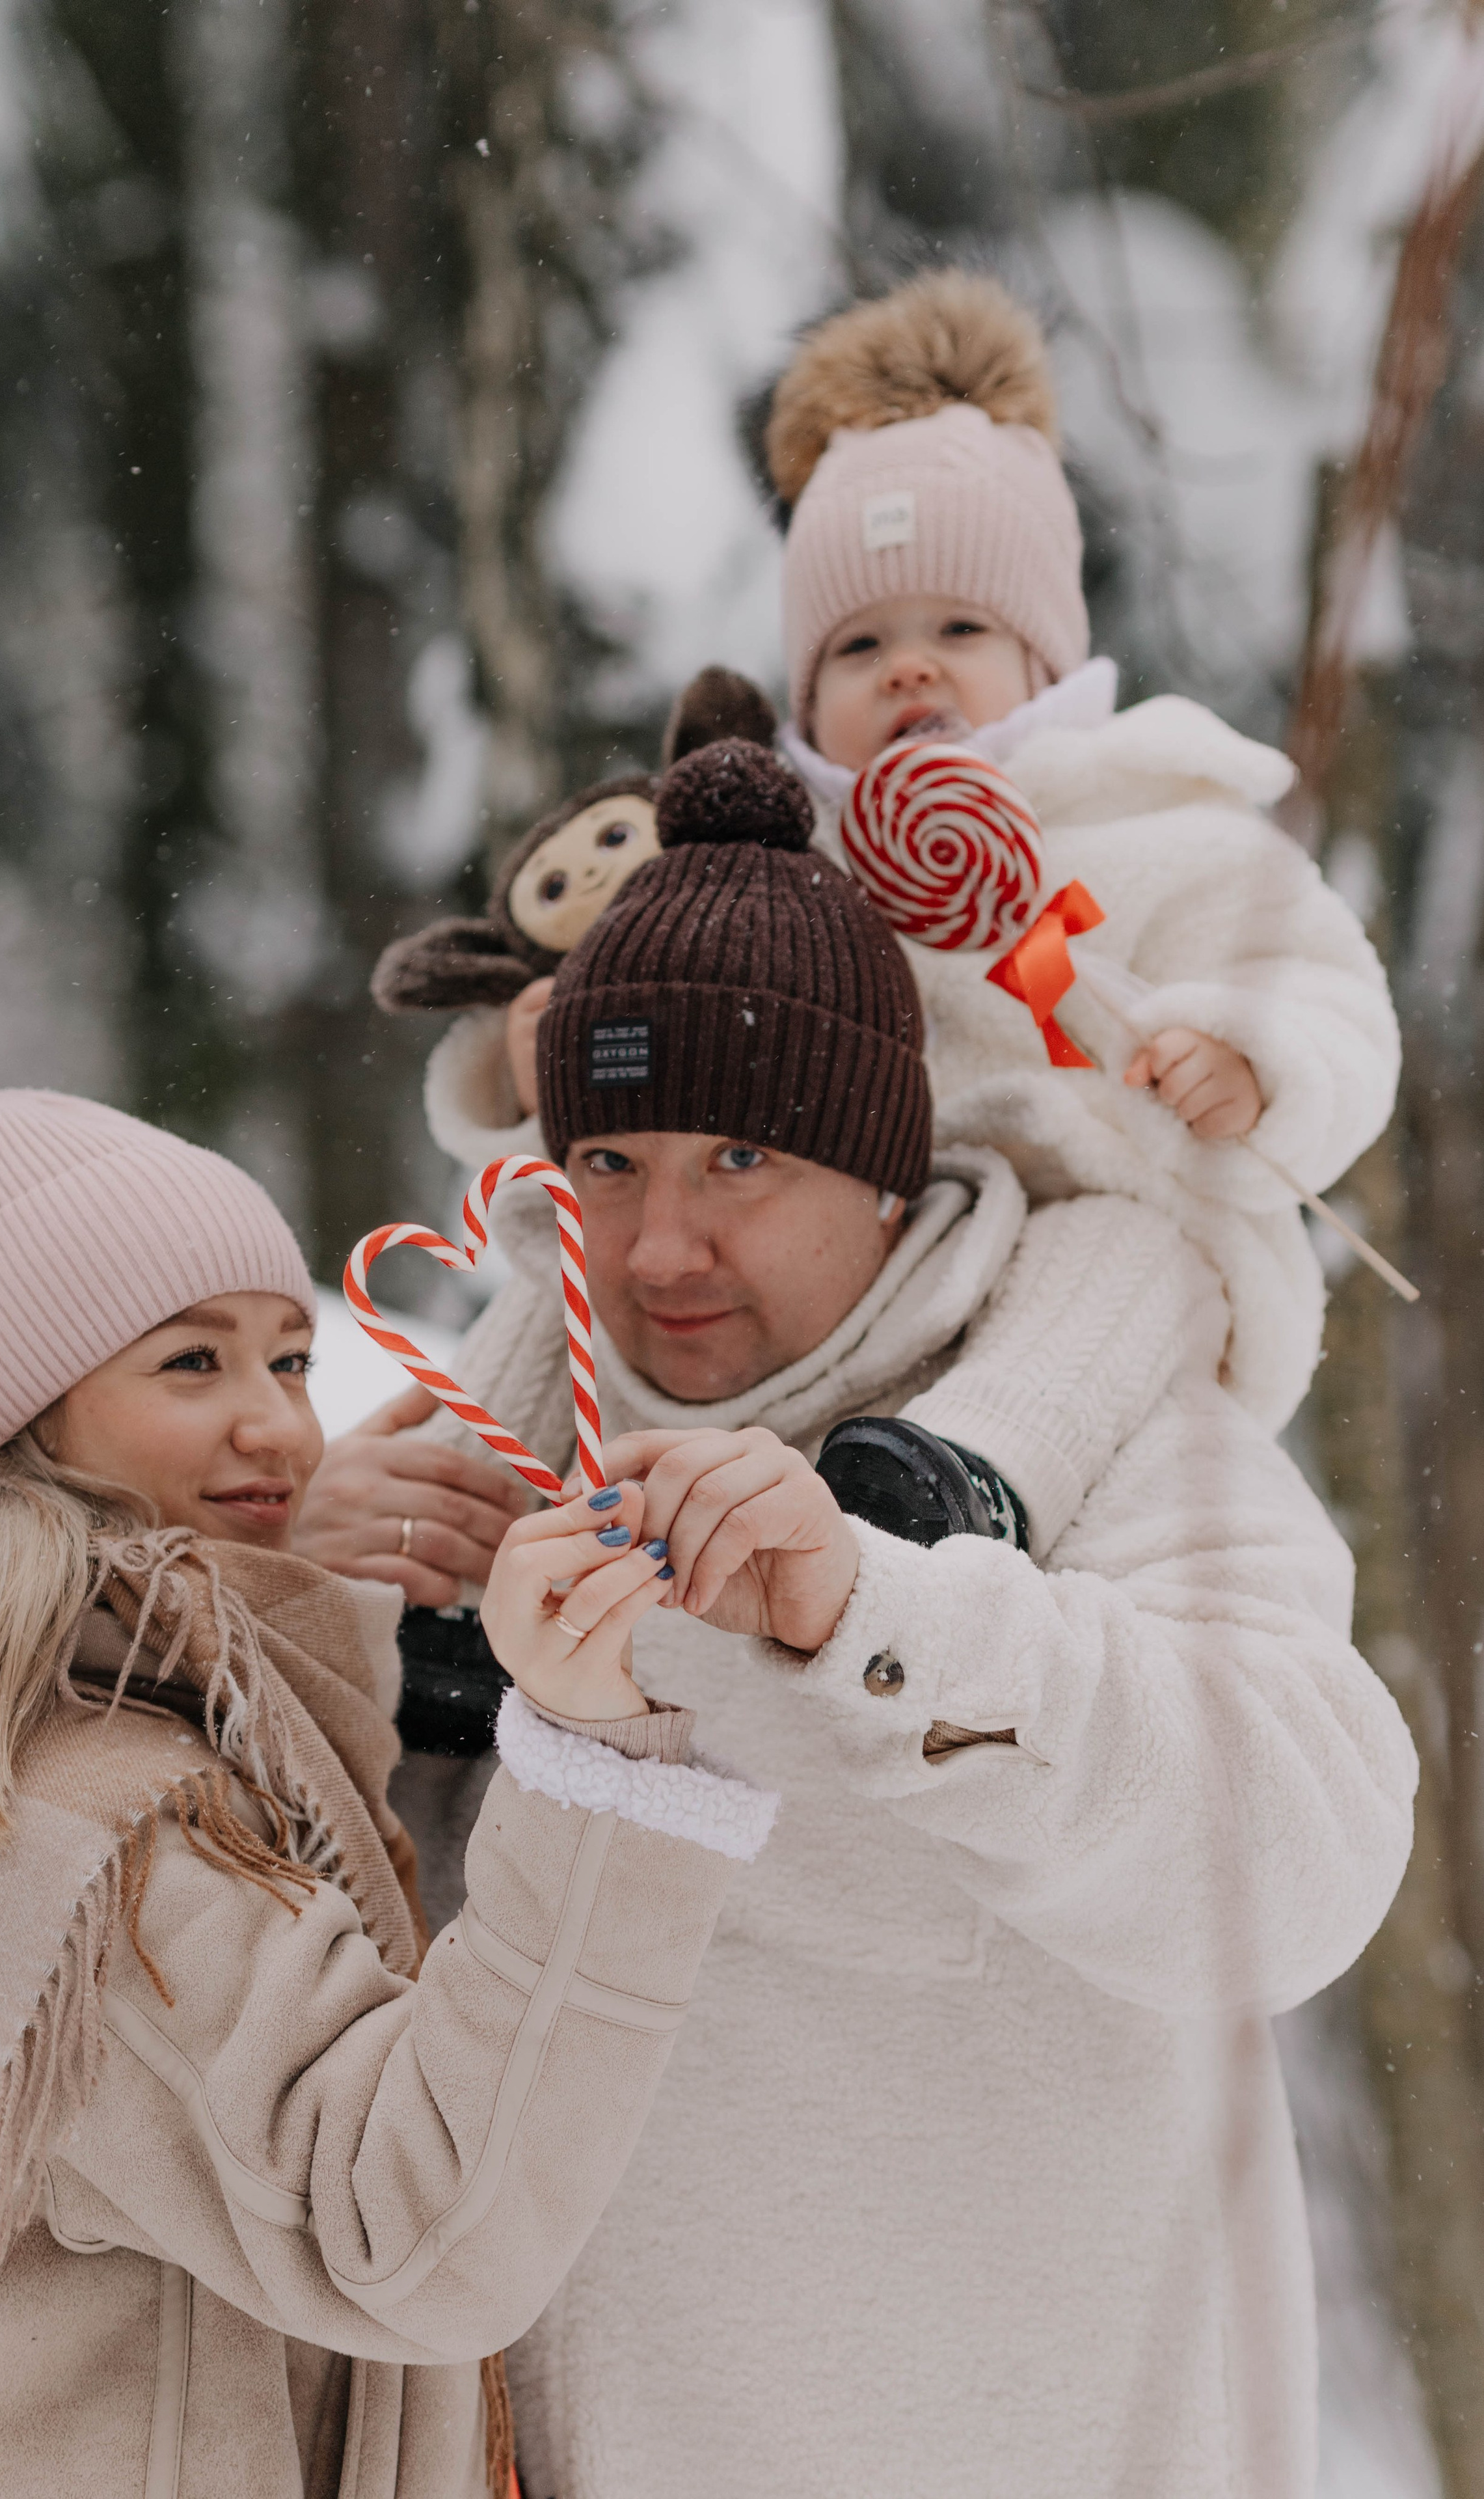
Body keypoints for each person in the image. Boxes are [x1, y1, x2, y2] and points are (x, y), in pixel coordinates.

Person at [297, 748, 1416, 2497]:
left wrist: (893, 1629)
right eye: (609, 1159)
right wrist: (302, 1618)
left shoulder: (1109, 1417)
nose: (662, 1240)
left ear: (887, 1174)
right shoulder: (477, 1453)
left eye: (741, 1155)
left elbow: (1311, 1862)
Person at [0, 1084, 774, 2499]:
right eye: (192, 1365)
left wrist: (268, 1601)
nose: (280, 1426)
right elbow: (410, 2230)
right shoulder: (82, 1830)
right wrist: (601, 1764)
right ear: (17, 1418)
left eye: (289, 1359)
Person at [412, 268, 1399, 1464]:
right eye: (862, 643)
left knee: (1118, 1261)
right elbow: (641, 1102)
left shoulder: (1162, 824)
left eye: (962, 630)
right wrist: (538, 1080)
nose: (910, 670)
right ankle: (460, 1516)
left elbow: (1328, 996)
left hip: (1078, 1258)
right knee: (570, 1268)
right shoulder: (753, 873)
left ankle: (958, 1483)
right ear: (803, 691)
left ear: (1051, 663)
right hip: (831, 1278)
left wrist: (1252, 1063)